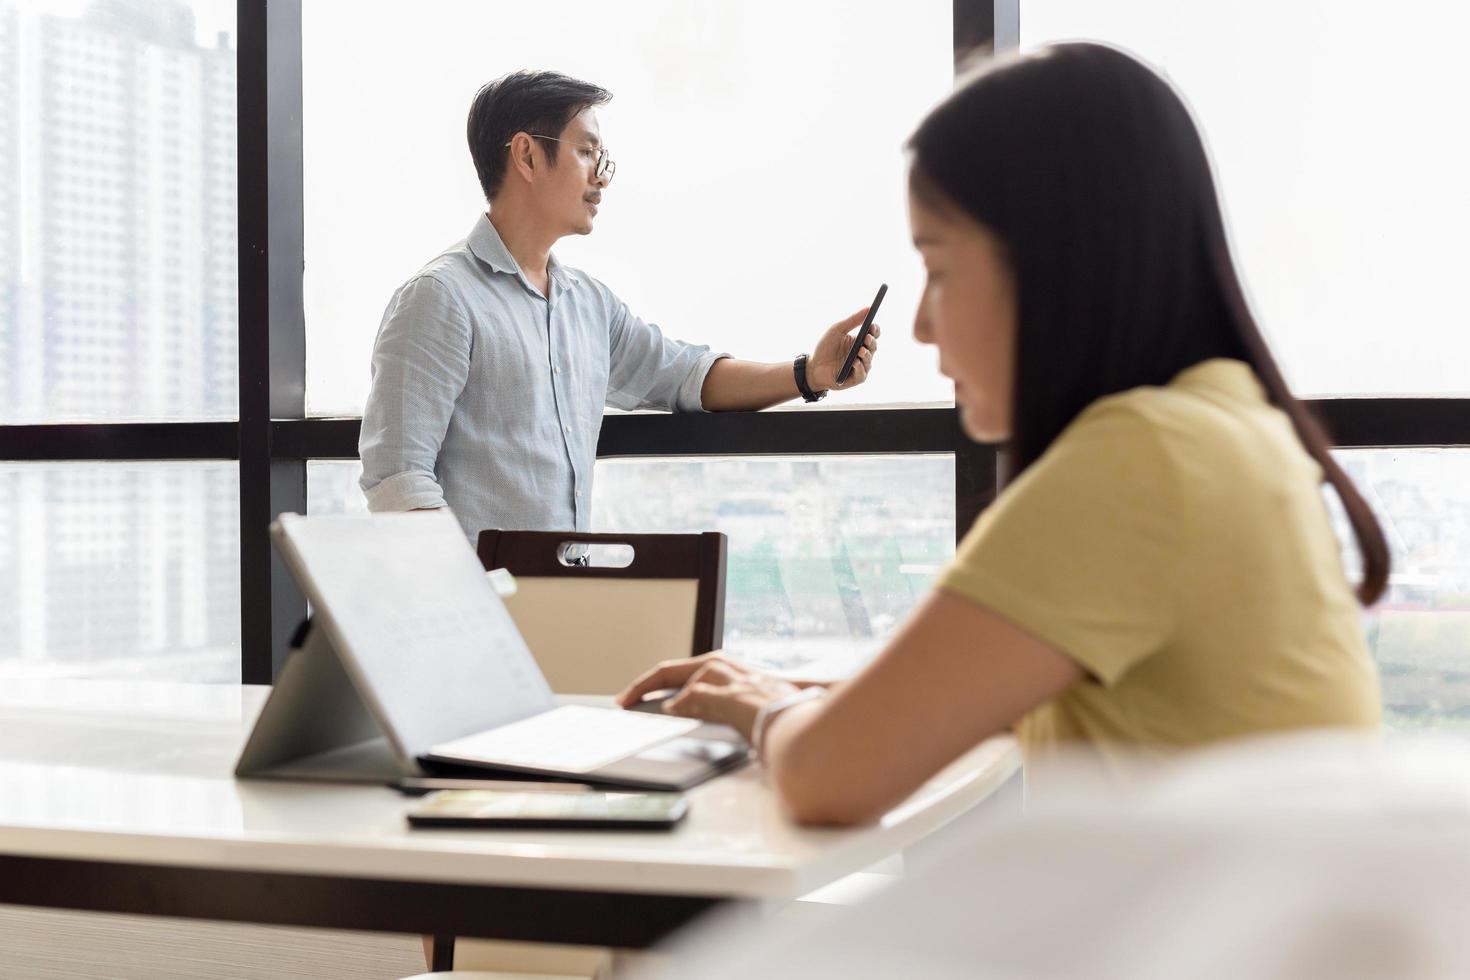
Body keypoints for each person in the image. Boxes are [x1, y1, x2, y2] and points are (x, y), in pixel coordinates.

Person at [616, 42, 1389, 826]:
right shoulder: (1224, 424)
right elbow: (968, 697)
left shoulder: (1141, 459)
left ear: (1058, 267)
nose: (919, 325)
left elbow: (827, 778)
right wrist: (783, 696)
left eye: (941, 270)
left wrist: (767, 713)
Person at [358, 70, 880, 539]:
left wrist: (810, 374)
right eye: (587, 153)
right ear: (527, 156)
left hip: (564, 608)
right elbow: (397, 478)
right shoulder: (440, 298)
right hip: (476, 619)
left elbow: (685, 376)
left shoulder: (588, 304)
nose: (601, 177)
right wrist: (465, 601)